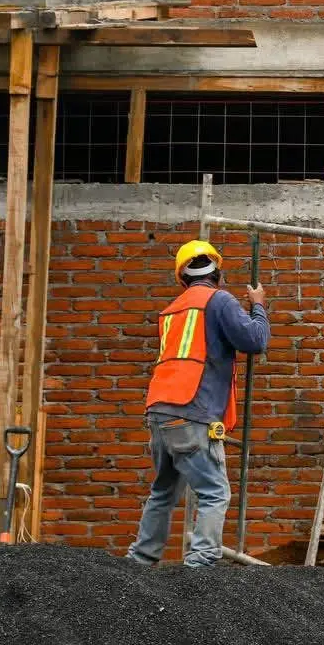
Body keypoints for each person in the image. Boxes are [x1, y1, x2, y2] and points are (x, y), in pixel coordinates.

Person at [127, 239, 270, 568]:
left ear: (182, 278)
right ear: (218, 274)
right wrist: (258, 306)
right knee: (214, 492)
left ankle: (139, 562)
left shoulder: (172, 310)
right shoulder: (218, 300)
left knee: (163, 491)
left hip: (159, 409)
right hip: (192, 410)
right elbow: (254, 340)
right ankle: (200, 566)